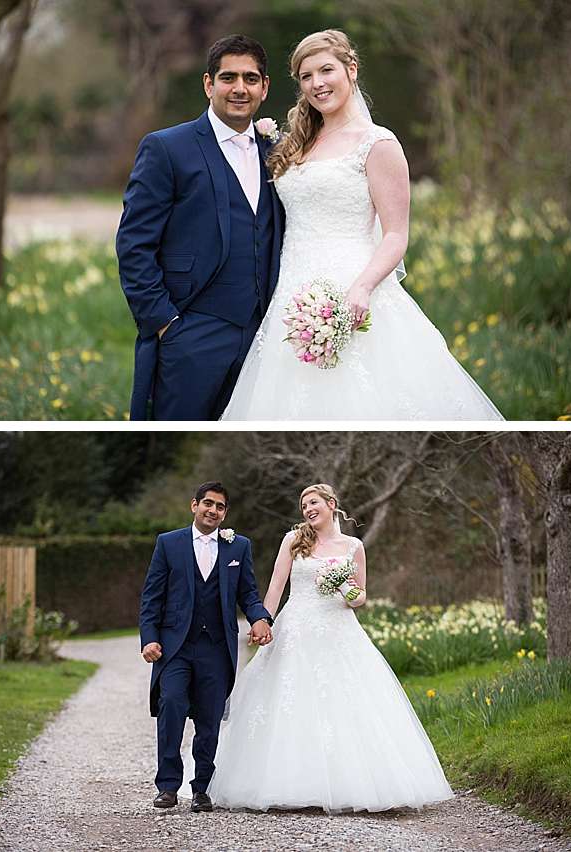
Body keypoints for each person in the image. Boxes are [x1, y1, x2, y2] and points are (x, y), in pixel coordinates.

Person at [220, 30, 501, 419]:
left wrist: (362, 288)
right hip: (291, 291)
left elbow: (397, 234)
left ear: (351, 70)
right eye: (306, 76)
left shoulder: (378, 144)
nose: (317, 83)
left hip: (353, 289)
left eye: (326, 70)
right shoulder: (297, 143)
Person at [207, 483, 454, 811]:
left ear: (331, 504)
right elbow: (277, 586)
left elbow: (361, 596)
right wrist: (261, 622)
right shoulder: (293, 540)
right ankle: (286, 782)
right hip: (295, 627)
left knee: (345, 700)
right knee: (289, 698)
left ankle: (350, 783)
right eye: (303, 506)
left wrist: (350, 592)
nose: (308, 509)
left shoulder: (354, 546)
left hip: (339, 629)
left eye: (313, 503)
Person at [117, 35, 284, 421]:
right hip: (190, 333)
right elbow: (133, 243)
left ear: (265, 86)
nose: (240, 88)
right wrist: (165, 323)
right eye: (228, 78)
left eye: (250, 78)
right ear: (209, 84)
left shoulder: (277, 151)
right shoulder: (166, 148)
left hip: (262, 337)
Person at [138, 482, 274, 811]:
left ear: (225, 513)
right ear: (194, 505)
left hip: (216, 646)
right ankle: (168, 786)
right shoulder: (168, 544)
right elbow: (151, 597)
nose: (213, 510)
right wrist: (150, 638)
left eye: (220, 507)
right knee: (171, 705)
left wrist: (260, 618)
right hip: (175, 646)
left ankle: (201, 788)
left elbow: (249, 594)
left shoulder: (237, 547)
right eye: (208, 504)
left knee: (210, 718)